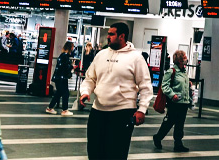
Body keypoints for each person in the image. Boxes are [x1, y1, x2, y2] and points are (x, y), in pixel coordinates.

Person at [79, 23, 153, 160]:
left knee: (116, 154)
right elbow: (90, 78)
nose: (108, 37)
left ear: (122, 36)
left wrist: (142, 109)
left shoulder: (136, 58)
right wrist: (85, 92)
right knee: (94, 152)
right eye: (108, 34)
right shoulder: (101, 55)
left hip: (122, 113)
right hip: (98, 111)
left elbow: (145, 86)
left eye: (111, 34)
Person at [153, 50, 191, 152]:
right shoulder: (171, 71)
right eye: (184, 57)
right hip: (175, 103)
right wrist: (172, 95)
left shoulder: (184, 72)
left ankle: (178, 143)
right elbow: (164, 86)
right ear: (179, 60)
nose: (186, 59)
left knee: (180, 124)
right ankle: (158, 137)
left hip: (184, 103)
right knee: (169, 122)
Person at [47, 41, 75, 116]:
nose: (73, 48)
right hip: (62, 78)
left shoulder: (62, 55)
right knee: (65, 93)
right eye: (72, 46)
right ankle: (64, 110)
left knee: (59, 93)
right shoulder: (65, 56)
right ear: (70, 47)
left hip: (58, 78)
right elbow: (65, 67)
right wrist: (72, 66)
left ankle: (50, 108)